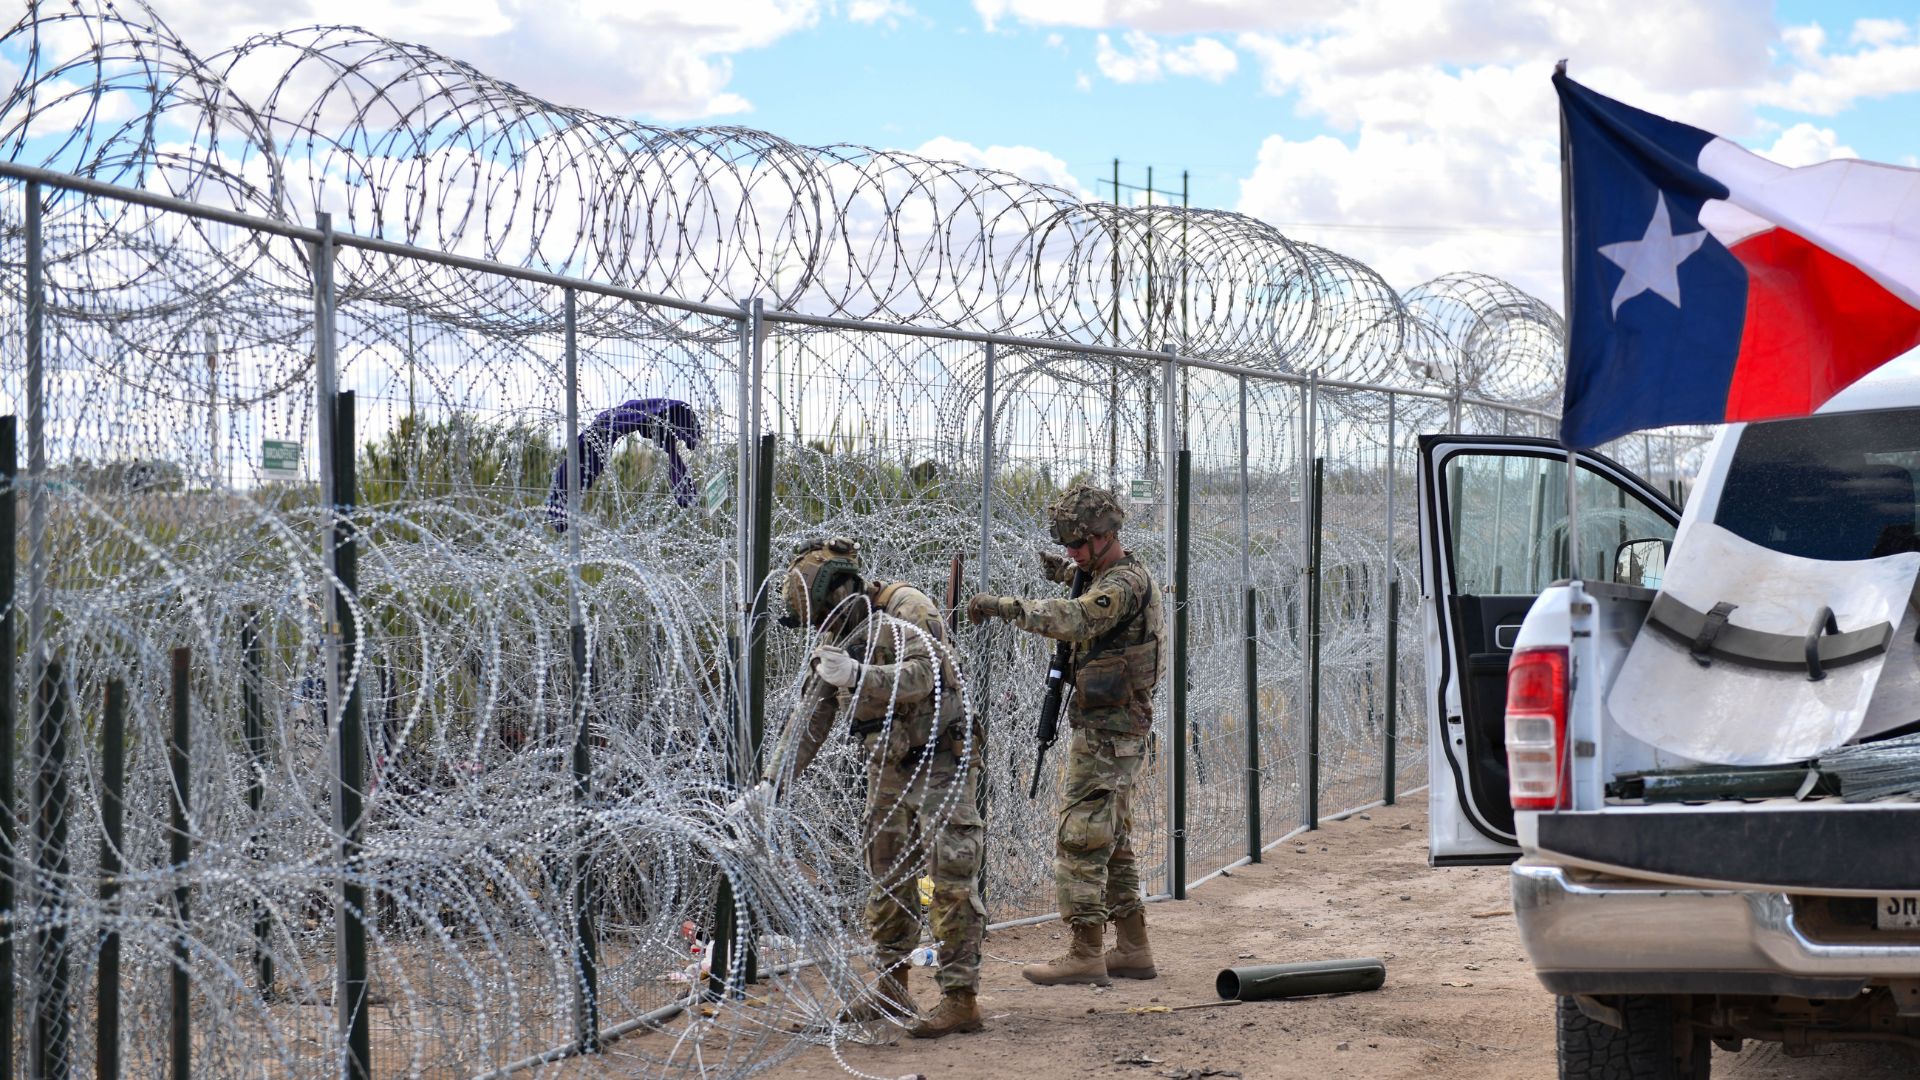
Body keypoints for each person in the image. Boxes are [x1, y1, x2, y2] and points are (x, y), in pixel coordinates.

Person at [779, 537, 987, 1038]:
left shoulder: (908, 610)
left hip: (940, 759)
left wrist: (861, 673)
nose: (820, 630)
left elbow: (937, 674)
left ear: (838, 591)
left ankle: (961, 1000)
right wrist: (773, 782)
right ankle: (892, 985)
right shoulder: (841, 634)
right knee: (888, 878)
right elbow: (815, 713)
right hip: (890, 765)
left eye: (821, 616)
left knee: (948, 879)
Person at [966, 484, 1163, 986]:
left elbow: (1079, 617)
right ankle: (1134, 948)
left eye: (1078, 545)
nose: (1071, 554)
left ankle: (1085, 952)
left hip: (1109, 735)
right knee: (1112, 841)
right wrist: (1063, 571)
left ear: (1105, 536)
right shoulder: (1105, 574)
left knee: (1079, 839)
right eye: (1067, 546)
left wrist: (1006, 607)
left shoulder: (1123, 585)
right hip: (1110, 729)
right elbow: (1084, 589)